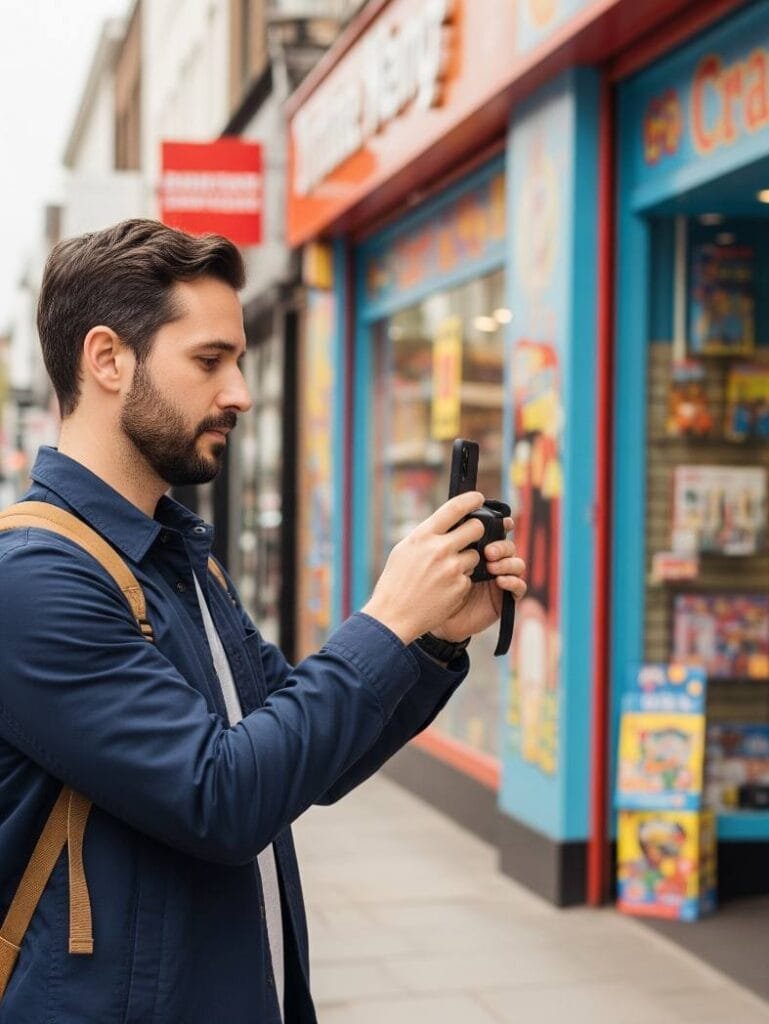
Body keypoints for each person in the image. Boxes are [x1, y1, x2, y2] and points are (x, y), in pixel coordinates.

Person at [0, 219, 526, 1023]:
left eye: (239, 360)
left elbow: (306, 762)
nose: (240, 390)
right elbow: (222, 797)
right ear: (107, 359)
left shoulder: (182, 559)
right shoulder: (35, 580)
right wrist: (384, 620)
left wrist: (432, 635)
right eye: (210, 361)